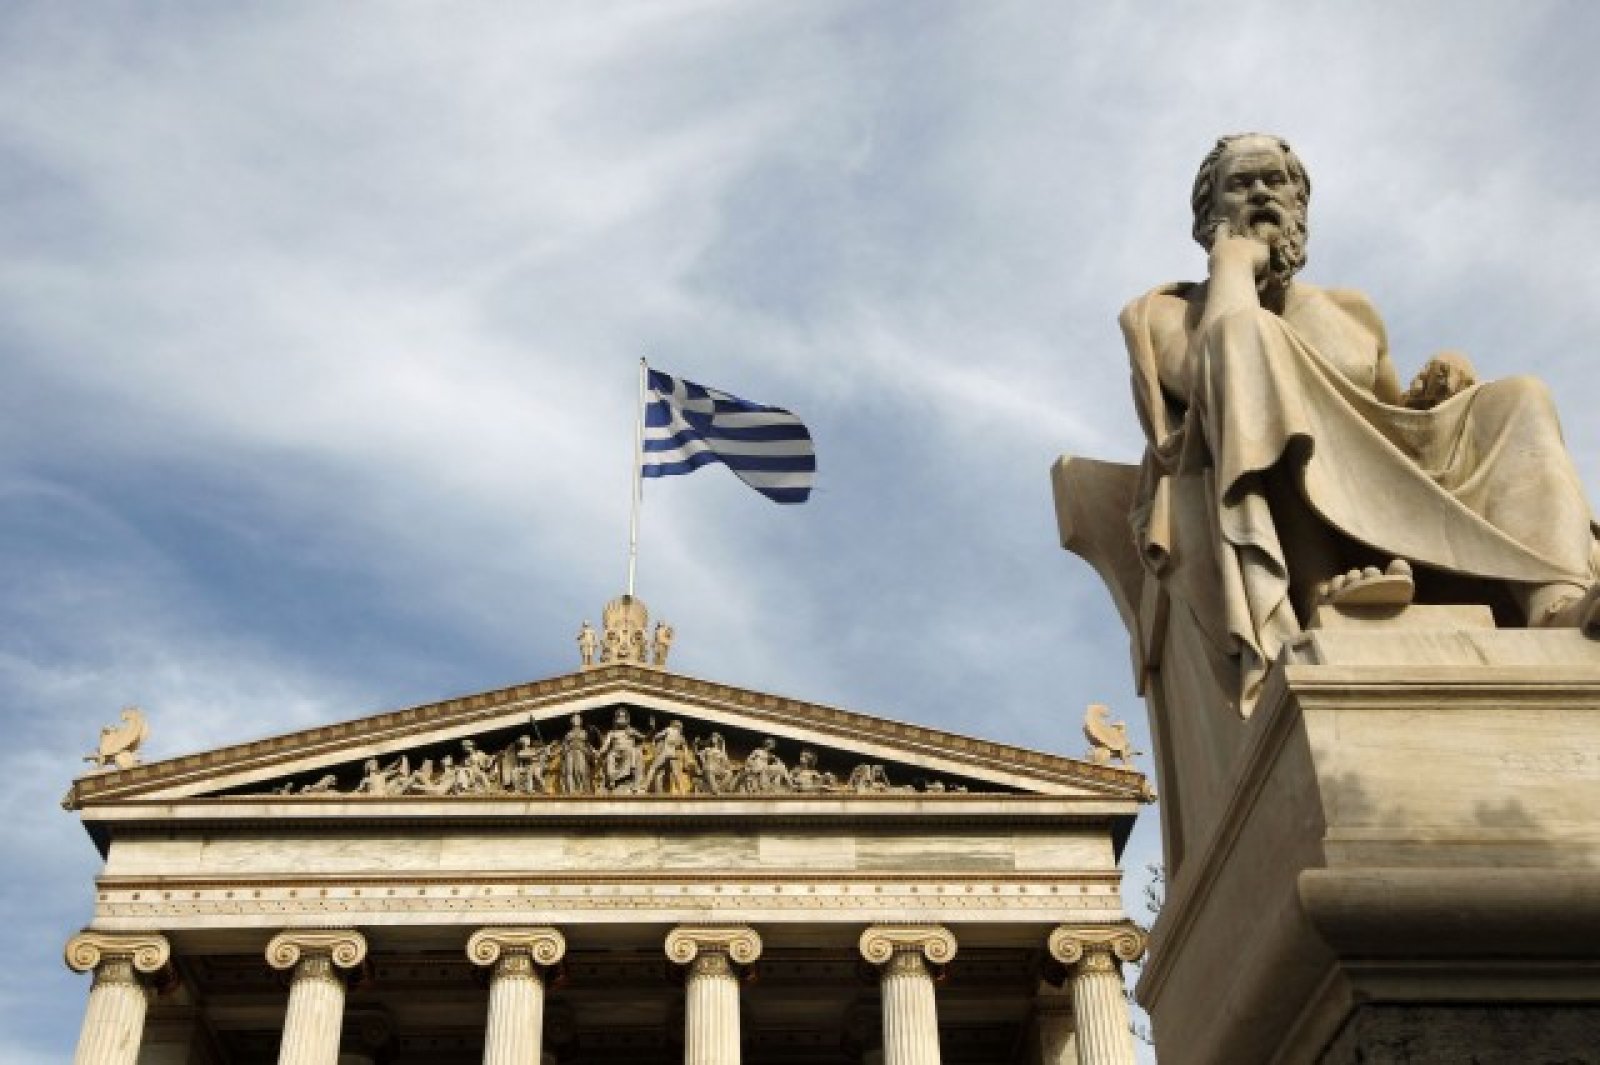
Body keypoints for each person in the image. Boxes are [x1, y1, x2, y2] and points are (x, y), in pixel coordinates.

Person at [1123, 132, 1600, 712]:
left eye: (1275, 181)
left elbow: (1387, 427)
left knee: (1519, 396)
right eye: (1241, 184)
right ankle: (1314, 588)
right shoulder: (1166, 315)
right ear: (1208, 216)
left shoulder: (1350, 312)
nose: (1261, 195)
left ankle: (1556, 604)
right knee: (1248, 336)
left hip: (1377, 496)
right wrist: (1233, 265)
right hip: (1288, 519)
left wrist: (1441, 389)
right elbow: (1214, 376)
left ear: (1299, 205)